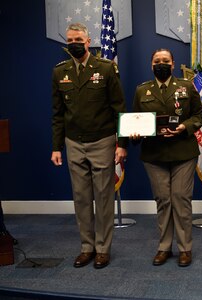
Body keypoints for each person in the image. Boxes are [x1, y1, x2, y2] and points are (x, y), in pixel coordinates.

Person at [51, 23, 127, 269]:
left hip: (102, 141)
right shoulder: (59, 72)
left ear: (88, 40)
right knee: (81, 198)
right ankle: (87, 247)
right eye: (70, 39)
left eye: (79, 39)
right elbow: (57, 113)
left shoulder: (105, 68)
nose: (74, 43)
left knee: (103, 196)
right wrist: (56, 147)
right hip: (73, 142)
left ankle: (103, 248)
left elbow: (119, 108)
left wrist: (121, 144)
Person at [131, 49, 202, 267]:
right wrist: (135, 134)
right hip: (154, 155)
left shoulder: (186, 86)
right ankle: (164, 247)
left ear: (173, 64)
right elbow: (135, 120)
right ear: (151, 64)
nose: (161, 64)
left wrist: (185, 126)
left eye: (165, 61)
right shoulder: (142, 90)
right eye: (157, 61)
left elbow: (200, 115)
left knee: (181, 199)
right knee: (163, 201)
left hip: (183, 152)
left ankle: (185, 248)